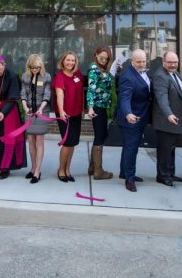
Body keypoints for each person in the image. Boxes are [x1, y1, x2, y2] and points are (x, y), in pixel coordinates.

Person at [115, 50, 151, 192]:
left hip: (141, 116)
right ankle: (129, 179)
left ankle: (124, 173)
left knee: (129, 147)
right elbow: (124, 97)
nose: (142, 64)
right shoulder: (128, 76)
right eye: (138, 62)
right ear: (132, 61)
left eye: (144, 61)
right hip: (131, 119)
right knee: (131, 148)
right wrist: (128, 113)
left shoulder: (145, 72)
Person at [151, 51, 182, 187]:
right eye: (170, 62)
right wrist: (168, 114)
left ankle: (170, 173)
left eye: (175, 62)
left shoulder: (174, 73)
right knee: (165, 150)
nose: (173, 65)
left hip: (175, 119)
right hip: (165, 120)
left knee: (171, 148)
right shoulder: (160, 76)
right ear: (163, 62)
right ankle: (163, 175)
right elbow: (162, 98)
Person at [52, 51, 84, 182]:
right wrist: (61, 111)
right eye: (68, 60)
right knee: (67, 142)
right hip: (65, 114)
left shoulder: (78, 74)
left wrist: (82, 109)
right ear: (63, 61)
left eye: (73, 60)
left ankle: (68, 169)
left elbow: (81, 92)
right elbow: (60, 95)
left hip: (77, 113)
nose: (70, 62)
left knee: (73, 143)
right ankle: (61, 169)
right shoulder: (59, 76)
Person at [85, 46, 116, 180]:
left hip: (102, 107)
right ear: (96, 55)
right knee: (100, 136)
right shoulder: (94, 70)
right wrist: (90, 108)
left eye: (106, 58)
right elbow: (91, 90)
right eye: (101, 57)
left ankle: (93, 167)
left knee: (101, 135)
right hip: (97, 107)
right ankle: (98, 171)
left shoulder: (102, 70)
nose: (103, 60)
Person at [20, 54, 52, 184]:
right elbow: (23, 92)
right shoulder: (25, 76)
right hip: (29, 111)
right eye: (32, 67)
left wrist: (41, 108)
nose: (34, 69)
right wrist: (25, 107)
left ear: (41, 66)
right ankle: (33, 168)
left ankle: (37, 171)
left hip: (42, 111)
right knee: (31, 140)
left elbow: (47, 94)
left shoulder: (47, 76)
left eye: (37, 67)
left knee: (39, 140)